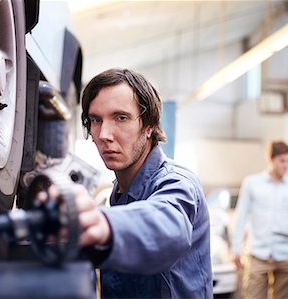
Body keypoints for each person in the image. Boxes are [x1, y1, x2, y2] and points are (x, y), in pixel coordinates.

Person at [73, 68, 212, 298]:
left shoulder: (177, 182)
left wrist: (101, 223)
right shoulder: (119, 193)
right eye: (96, 120)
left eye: (121, 118)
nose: (104, 134)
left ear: (148, 126)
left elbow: (168, 225)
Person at [231, 140, 288, 299]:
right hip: (258, 253)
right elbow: (241, 216)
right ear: (270, 159)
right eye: (282, 161)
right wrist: (236, 249)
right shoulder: (252, 183)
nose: (285, 165)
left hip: (286, 255)